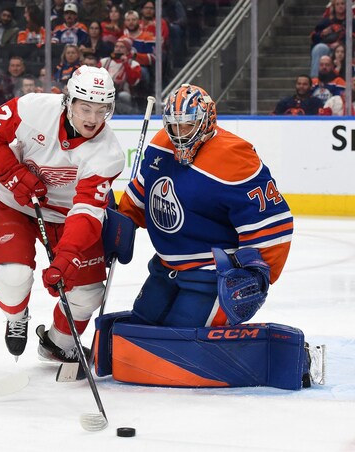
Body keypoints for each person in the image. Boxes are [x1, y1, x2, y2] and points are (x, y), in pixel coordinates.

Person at [93, 84, 324, 390]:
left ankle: (295, 358)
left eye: (186, 124)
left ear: (206, 121)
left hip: (210, 274)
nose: (178, 133)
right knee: (143, 326)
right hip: (165, 269)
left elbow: (273, 225)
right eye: (173, 125)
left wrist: (258, 277)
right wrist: (122, 223)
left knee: (179, 341)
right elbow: (141, 193)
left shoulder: (235, 157)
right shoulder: (162, 143)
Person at [0, 65, 124, 361]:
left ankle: (58, 344)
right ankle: (17, 313)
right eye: (85, 108)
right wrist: (13, 173)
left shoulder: (108, 154)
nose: (92, 119)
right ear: (69, 101)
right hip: (13, 203)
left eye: (101, 110)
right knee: (13, 278)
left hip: (67, 217)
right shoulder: (33, 108)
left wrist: (66, 258)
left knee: (87, 295)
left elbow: (87, 212)